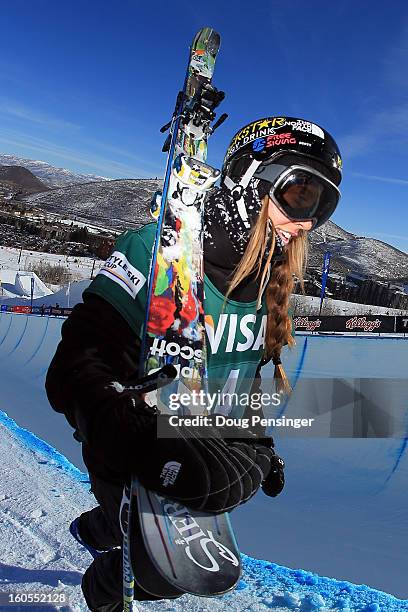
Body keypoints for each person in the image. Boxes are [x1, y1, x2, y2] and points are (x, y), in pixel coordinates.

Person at [45, 115, 342, 612]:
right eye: (302, 195)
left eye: (325, 204)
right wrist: (122, 424)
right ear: (251, 181)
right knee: (163, 575)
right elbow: (76, 362)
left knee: (221, 488)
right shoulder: (155, 252)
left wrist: (259, 441)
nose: (310, 220)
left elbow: (242, 383)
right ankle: (102, 590)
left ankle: (103, 525)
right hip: (133, 434)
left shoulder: (270, 283)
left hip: (203, 431)